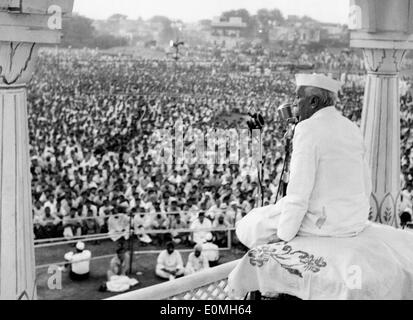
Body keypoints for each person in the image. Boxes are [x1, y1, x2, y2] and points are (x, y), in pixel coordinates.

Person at [237, 73, 372, 247]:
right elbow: (366, 183)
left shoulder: (307, 128)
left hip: (323, 223)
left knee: (249, 224)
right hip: (354, 220)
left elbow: (298, 194)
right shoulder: (351, 127)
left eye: (298, 98)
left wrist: (284, 236)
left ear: (313, 101)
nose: (294, 104)